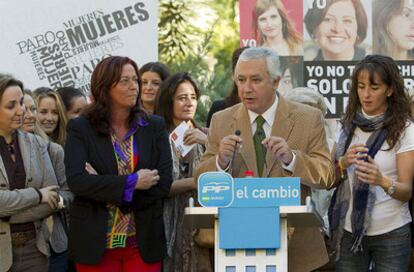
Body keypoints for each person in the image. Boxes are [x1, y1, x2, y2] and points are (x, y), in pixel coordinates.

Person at [196, 47, 333, 272]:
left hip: (296, 253)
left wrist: (292, 159)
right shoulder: (221, 121)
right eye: (241, 80)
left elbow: (326, 175)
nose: (246, 88)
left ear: (276, 81)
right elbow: (200, 178)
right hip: (239, 249)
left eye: (256, 80)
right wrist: (220, 162)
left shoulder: (308, 118)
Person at [64, 56, 172, 272]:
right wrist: (133, 182)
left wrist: (103, 185)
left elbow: (163, 183)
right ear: (105, 87)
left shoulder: (154, 126)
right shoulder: (81, 128)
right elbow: (78, 182)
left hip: (141, 243)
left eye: (135, 80)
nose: (134, 87)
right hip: (96, 245)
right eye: (124, 81)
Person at [329, 55, 414, 271]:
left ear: (389, 90)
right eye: (361, 86)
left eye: (374, 87)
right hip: (348, 231)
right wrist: (342, 162)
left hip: (392, 233)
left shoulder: (404, 129)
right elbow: (329, 179)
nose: (366, 94)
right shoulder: (346, 125)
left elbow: (406, 191)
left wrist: (382, 180)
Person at [0, 74, 61, 272]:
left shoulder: (36, 143)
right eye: (11, 106)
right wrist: (37, 195)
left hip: (34, 250)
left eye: (21, 103)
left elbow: (51, 199)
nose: (21, 111)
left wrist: (6, 212)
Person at [154, 73, 212, 272]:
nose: (189, 103)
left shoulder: (207, 135)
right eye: (181, 98)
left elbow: (226, 174)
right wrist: (197, 182)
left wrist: (208, 142)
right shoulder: (157, 138)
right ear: (168, 101)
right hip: (166, 225)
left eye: (193, 97)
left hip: (202, 228)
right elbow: (159, 187)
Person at [21, 89, 73, 272]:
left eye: (55, 112)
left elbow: (68, 193)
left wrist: (54, 201)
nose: (49, 118)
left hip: (54, 242)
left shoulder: (54, 150)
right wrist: (36, 197)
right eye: (43, 111)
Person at [206, 47, 248, 128]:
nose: (248, 85)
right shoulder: (218, 109)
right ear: (233, 75)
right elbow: (211, 139)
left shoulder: (268, 111)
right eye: (242, 77)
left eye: (254, 78)